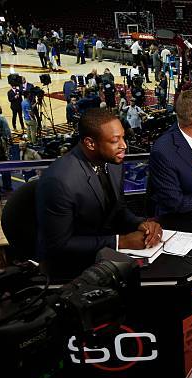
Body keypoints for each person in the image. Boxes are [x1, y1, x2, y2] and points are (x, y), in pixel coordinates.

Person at [37, 108, 162, 279]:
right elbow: (58, 245)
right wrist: (121, 242)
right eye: (115, 140)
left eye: (123, 137)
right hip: (72, 270)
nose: (124, 145)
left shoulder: (112, 160)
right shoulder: (59, 181)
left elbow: (118, 209)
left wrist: (140, 224)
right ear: (90, 143)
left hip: (105, 255)